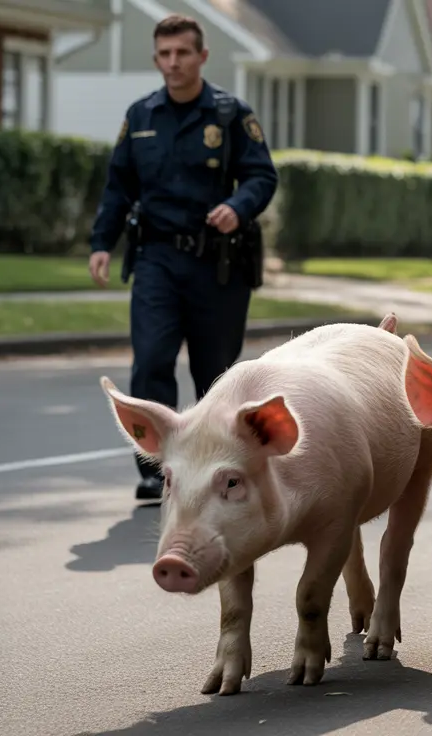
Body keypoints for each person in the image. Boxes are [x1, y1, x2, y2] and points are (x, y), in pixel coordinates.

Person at [87, 14, 279, 500]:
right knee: (150, 361)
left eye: (182, 53)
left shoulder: (230, 114)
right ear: (156, 59)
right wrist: (101, 243)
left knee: (215, 373)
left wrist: (238, 208)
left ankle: (215, 461)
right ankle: (157, 469)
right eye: (164, 54)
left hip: (217, 266)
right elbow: (118, 188)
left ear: (202, 57)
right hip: (156, 261)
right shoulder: (141, 117)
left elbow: (261, 176)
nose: (173, 63)